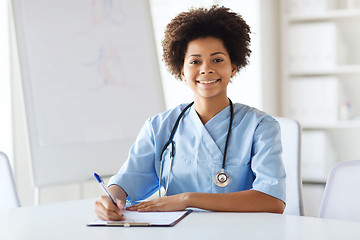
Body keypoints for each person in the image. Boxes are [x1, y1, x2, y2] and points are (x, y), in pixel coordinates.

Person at [94, 5, 286, 221]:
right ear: (182, 71)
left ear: (233, 67)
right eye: (195, 61)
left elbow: (272, 201)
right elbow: (127, 180)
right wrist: (110, 199)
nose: (206, 69)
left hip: (240, 232)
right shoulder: (159, 126)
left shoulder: (260, 126)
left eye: (217, 59)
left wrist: (187, 199)